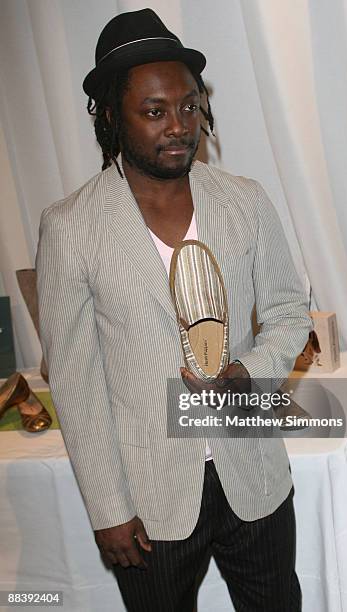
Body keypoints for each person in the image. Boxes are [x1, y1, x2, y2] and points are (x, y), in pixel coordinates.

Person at [36, 8, 312, 612]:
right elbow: (77, 385)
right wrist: (108, 509)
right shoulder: (70, 228)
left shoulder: (244, 201)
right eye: (155, 111)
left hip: (255, 477)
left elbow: (291, 311)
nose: (179, 126)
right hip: (149, 497)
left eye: (188, 106)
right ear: (112, 115)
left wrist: (248, 375)